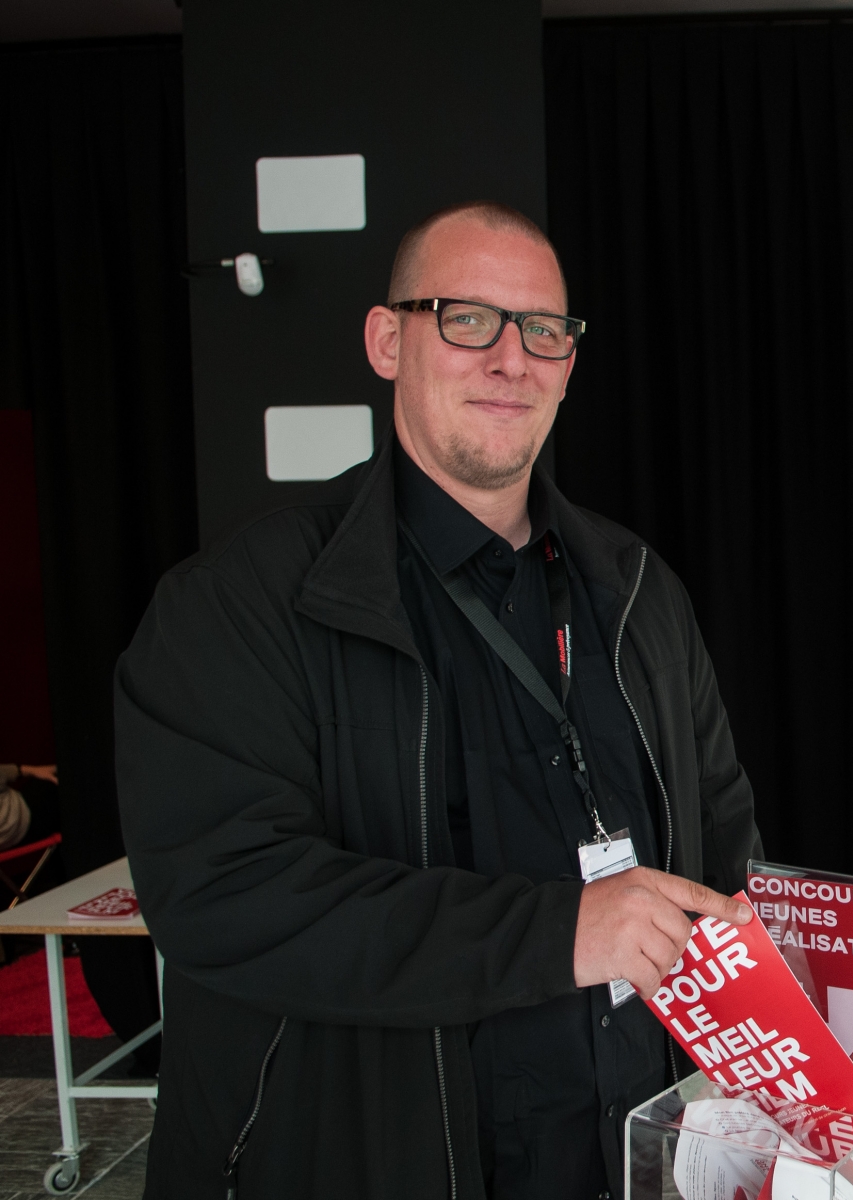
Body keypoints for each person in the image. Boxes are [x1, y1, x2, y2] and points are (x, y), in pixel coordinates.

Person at [116, 201, 762, 1200]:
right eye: (468, 319)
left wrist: (779, 1075)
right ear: (388, 341)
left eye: (544, 330)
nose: (513, 359)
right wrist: (559, 934)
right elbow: (227, 896)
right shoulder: (239, 604)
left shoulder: (639, 591)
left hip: (630, 1159)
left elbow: (723, 837)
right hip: (369, 1163)